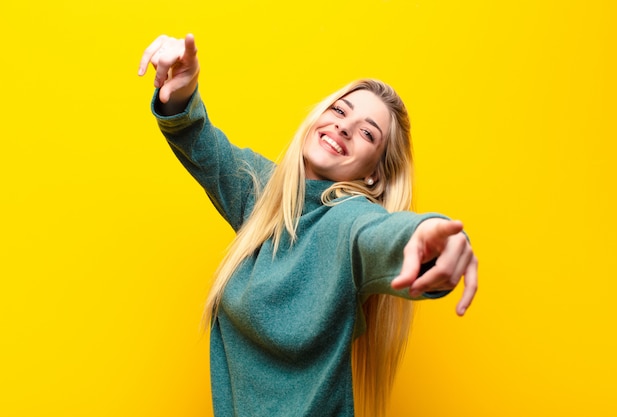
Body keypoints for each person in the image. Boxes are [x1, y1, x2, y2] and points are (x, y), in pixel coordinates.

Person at [138, 34, 478, 417]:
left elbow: (380, 236)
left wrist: (434, 241)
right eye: (339, 110)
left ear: (375, 177)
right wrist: (181, 90)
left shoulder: (348, 222)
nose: (344, 127)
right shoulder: (262, 195)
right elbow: (198, 140)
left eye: (367, 133)